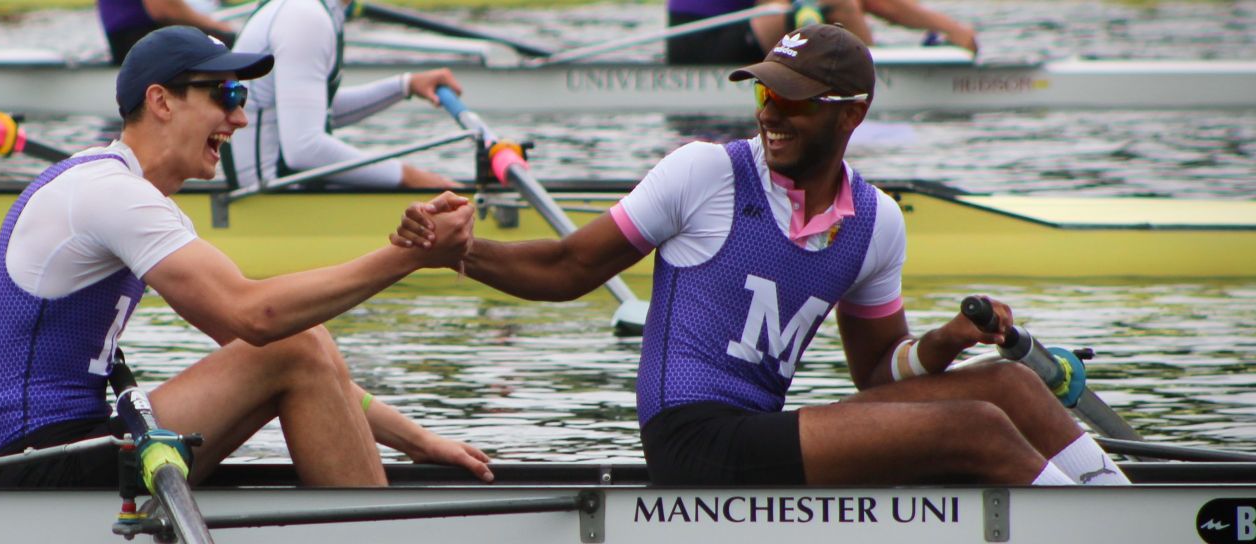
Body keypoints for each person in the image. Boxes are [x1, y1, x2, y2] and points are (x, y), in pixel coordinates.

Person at [396, 24, 1124, 487]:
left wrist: (945, 342)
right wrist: (461, 252)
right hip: (692, 443)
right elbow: (564, 270)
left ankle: (1117, 505)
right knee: (975, 427)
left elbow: (878, 372)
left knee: (1009, 387)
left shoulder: (876, 222)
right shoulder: (703, 174)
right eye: (765, 95)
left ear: (852, 113)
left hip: (764, 436)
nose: (771, 113)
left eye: (793, 101)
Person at [0, 26, 491, 487]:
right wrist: (409, 257)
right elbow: (257, 316)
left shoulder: (131, 194)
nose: (240, 118)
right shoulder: (108, 192)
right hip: (38, 464)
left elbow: (266, 334)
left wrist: (420, 442)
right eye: (225, 95)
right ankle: (373, 531)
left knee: (302, 341)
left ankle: (368, 517)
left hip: (79, 444)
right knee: (295, 344)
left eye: (240, 96)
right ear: (161, 101)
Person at [224, 0, 464, 190]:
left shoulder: (312, 10)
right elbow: (304, 148)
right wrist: (410, 177)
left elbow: (314, 112)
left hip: (284, 185)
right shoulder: (304, 16)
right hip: (267, 196)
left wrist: (405, 86)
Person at [664, 0, 977, 65]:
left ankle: (868, 66)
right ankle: (873, 79)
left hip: (733, 26)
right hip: (701, 40)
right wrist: (950, 28)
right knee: (839, 4)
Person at [99, 0, 237, 64]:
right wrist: (218, 27)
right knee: (232, 41)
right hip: (141, 37)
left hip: (126, 39)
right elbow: (164, 9)